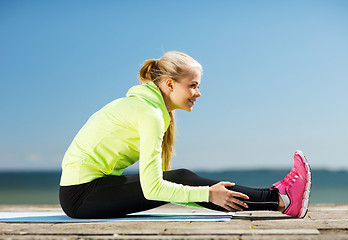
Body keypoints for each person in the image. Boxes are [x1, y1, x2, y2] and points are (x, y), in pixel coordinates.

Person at [59, 51, 311, 219]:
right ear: (169, 84)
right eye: (192, 85)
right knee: (184, 178)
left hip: (90, 189)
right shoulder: (149, 114)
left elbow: (156, 187)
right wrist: (208, 194)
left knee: (183, 177)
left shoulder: (147, 107)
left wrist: (206, 194)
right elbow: (153, 188)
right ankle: (281, 199)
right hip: (82, 195)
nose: (198, 93)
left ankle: (278, 197)